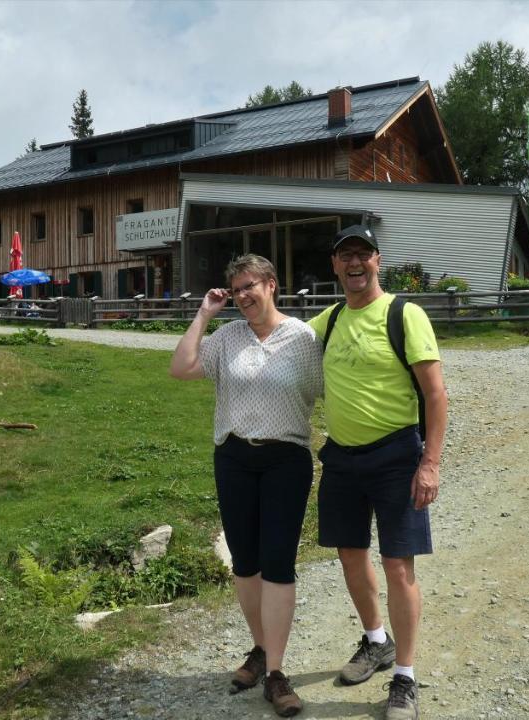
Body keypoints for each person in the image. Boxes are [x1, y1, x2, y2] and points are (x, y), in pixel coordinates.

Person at [169, 254, 322, 718]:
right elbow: (181, 368)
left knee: (278, 564)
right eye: (235, 289)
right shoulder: (227, 336)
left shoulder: (303, 338)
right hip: (234, 457)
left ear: (272, 285)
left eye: (249, 286)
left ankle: (275, 673)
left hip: (285, 459)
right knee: (245, 564)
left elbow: (325, 389)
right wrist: (204, 314)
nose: (242, 296)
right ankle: (259, 649)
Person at [306, 225, 447, 720]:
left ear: (378, 261)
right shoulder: (330, 319)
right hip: (342, 458)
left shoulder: (404, 314)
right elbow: (282, 339)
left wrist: (429, 463)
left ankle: (404, 677)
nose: (354, 264)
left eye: (362, 255)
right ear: (335, 266)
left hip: (397, 457)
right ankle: (376, 640)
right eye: (345, 256)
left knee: (398, 565)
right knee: (349, 554)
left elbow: (434, 394)